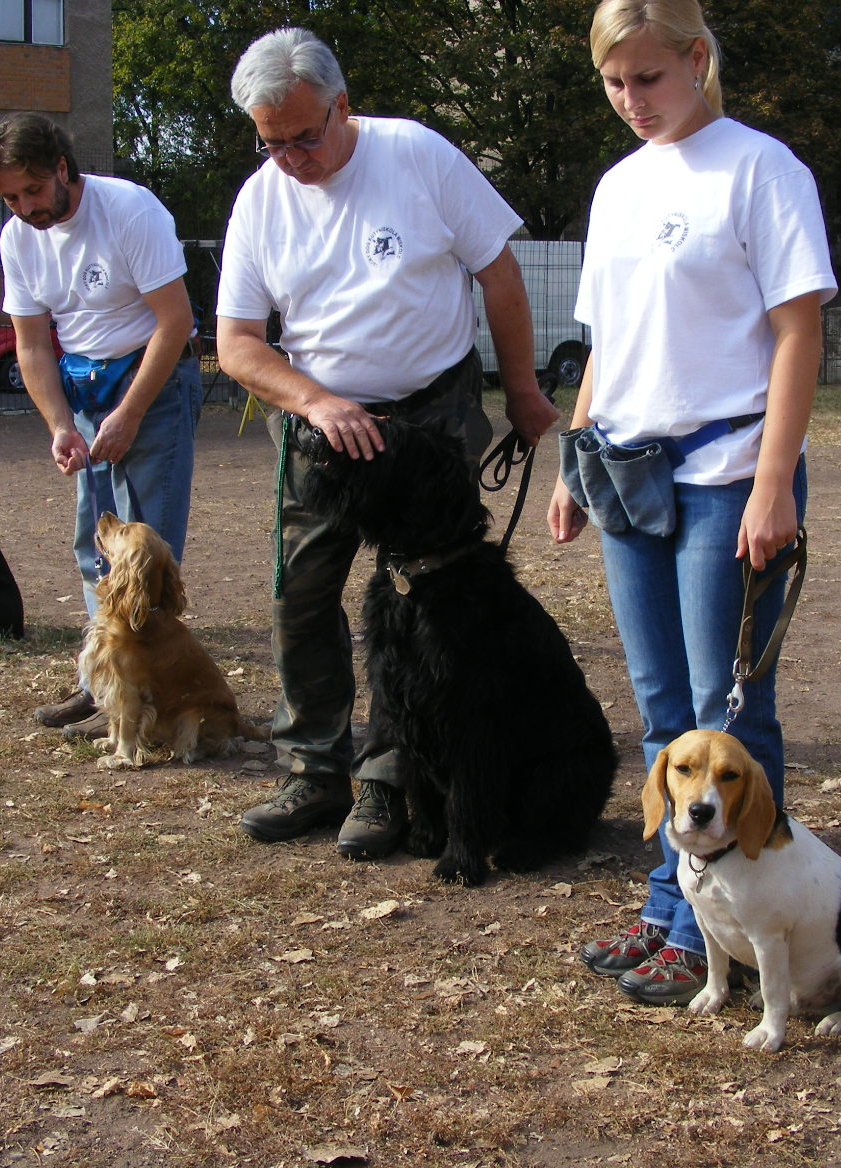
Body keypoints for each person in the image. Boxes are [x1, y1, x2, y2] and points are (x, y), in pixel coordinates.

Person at [550, 0, 835, 1005]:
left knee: (728, 714)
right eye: (615, 83)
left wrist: (771, 482)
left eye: (650, 79)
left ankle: (753, 931)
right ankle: (675, 909)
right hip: (626, 471)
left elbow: (798, 333)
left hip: (727, 474)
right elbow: (605, 340)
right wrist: (571, 462)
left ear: (696, 58)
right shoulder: (619, 186)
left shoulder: (761, 168)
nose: (632, 101)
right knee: (664, 714)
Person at [215, 27, 557, 860]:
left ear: (342, 105)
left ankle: (388, 780)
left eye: (305, 135)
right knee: (300, 593)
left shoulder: (417, 155)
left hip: (430, 414)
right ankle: (312, 768)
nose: (291, 157)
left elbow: (500, 276)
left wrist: (520, 392)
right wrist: (316, 401)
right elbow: (237, 344)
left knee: (422, 602)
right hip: (322, 423)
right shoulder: (261, 200)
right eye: (272, 141)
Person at [0, 113, 203, 741]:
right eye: (11, 198)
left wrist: (129, 413)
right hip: (86, 391)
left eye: (33, 191)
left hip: (152, 380)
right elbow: (32, 345)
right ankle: (100, 683)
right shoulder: (18, 238)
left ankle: (142, 697)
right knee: (94, 544)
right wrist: (59, 427)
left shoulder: (129, 210)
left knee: (143, 555)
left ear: (62, 169)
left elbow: (174, 320)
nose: (25, 209)